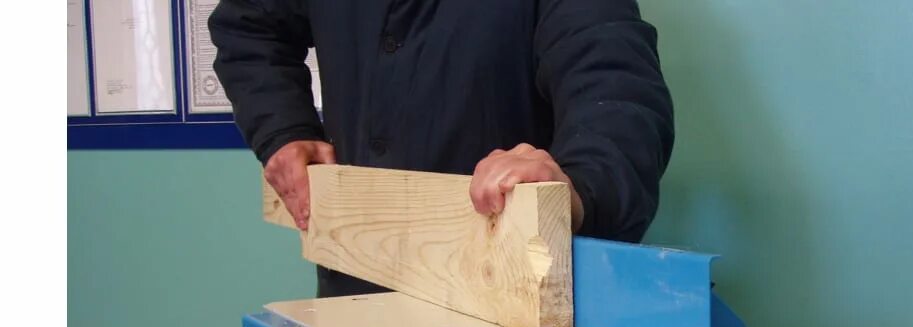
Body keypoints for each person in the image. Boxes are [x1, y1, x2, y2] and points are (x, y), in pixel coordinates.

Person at [209, 0, 675, 298]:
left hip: (504, 307)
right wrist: (283, 129)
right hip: (353, 292)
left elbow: (615, 87)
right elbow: (248, 27)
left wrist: (578, 185)